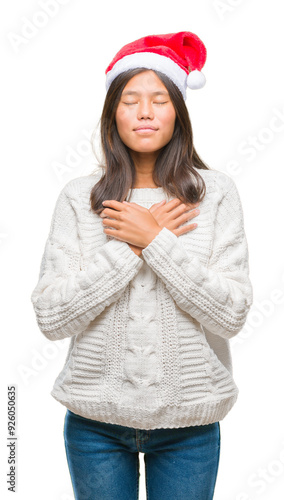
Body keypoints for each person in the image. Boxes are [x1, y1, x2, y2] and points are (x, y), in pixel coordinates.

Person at [30, 31, 253, 500]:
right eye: (131, 100)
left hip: (189, 424)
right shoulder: (79, 197)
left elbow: (230, 315)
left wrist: (155, 240)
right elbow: (52, 318)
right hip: (96, 424)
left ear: (179, 112)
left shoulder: (216, 194)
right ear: (113, 113)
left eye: (159, 99)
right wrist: (129, 247)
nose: (146, 112)